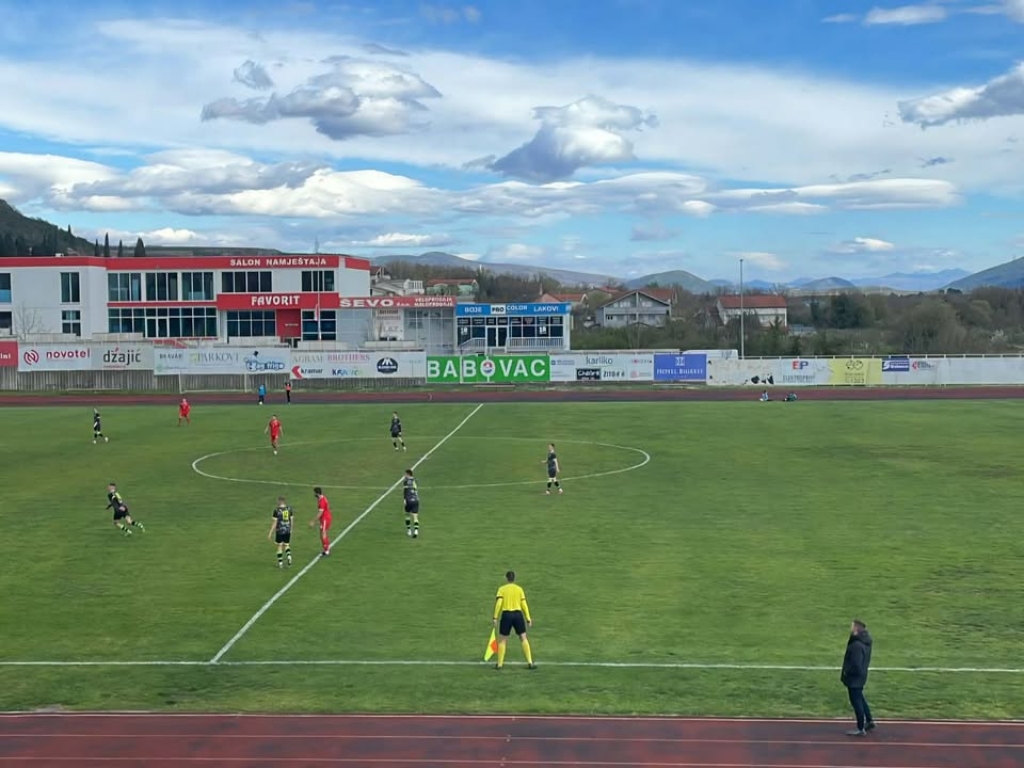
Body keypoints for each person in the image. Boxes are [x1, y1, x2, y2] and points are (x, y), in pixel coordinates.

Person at [492, 571, 536, 670]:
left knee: (503, 639)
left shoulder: (502, 589)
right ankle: (530, 662)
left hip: (506, 615)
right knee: (523, 637)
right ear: (514, 578)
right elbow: (524, 604)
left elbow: (499, 604)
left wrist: (495, 617)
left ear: (506, 578)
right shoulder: (519, 589)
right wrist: (528, 618)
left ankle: (499, 664)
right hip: (518, 615)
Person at [841, 619, 876, 736]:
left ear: (856, 629)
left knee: (856, 702)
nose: (850, 628)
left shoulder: (856, 645)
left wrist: (847, 672)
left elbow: (856, 664)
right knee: (860, 698)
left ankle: (860, 728)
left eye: (852, 626)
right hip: (860, 677)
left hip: (854, 678)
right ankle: (869, 721)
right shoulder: (865, 642)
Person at [268, 496, 294, 568]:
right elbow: (292, 520)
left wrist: (270, 532)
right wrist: (291, 529)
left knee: (279, 546)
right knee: (286, 545)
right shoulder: (289, 509)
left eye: (278, 501)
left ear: (280, 501)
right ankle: (289, 556)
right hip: (287, 530)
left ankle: (280, 563)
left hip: (279, 531)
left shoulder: (276, 510)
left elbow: (275, 522)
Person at [310, 486, 332, 557]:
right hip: (324, 518)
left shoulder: (322, 501)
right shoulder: (321, 498)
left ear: (317, 493)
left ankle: (326, 551)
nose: (314, 494)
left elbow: (320, 513)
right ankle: (326, 547)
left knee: (323, 534)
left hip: (325, 519)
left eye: (315, 493)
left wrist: (313, 521)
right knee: (321, 534)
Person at [402, 469, 420, 538]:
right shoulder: (415, 481)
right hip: (416, 500)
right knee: (415, 517)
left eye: (405, 474)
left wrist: (404, 500)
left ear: (408, 474)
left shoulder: (405, 481)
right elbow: (415, 490)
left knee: (407, 515)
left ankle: (409, 530)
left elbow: (405, 491)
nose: (404, 475)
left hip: (408, 500)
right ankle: (416, 531)